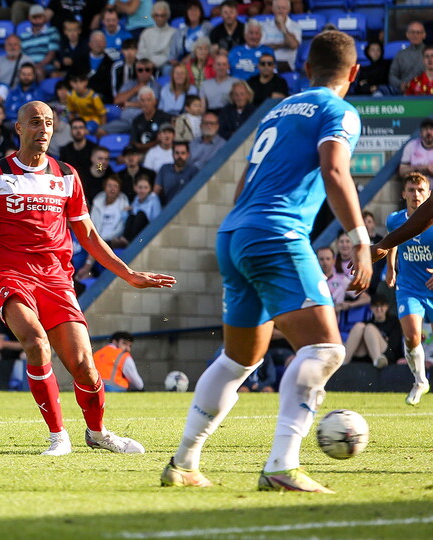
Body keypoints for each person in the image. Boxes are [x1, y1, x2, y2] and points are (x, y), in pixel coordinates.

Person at [161, 31, 368, 493]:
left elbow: (244, 184)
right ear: (352, 74)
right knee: (325, 349)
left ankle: (183, 462)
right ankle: (282, 465)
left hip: (235, 232)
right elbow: (335, 169)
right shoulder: (339, 111)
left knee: (239, 359)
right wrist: (360, 240)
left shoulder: (278, 110)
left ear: (306, 70)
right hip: (276, 232)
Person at [0, 100, 175, 456]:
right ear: (19, 128)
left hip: (55, 279)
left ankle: (97, 433)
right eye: (35, 122)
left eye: (48, 122)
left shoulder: (66, 176)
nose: (43, 128)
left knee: (85, 368)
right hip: (10, 274)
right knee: (34, 341)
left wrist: (128, 274)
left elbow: (90, 236)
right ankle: (58, 435)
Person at [378, 172, 433, 403]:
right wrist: (391, 268)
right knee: (412, 337)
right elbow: (393, 242)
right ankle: (420, 381)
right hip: (409, 287)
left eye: (421, 190)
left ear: (429, 194)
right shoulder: (394, 220)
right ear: (403, 194)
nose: (416, 194)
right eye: (411, 190)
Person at [343, 295, 401, 370]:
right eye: (376, 306)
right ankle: (345, 361)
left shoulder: (394, 322)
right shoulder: (366, 323)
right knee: (359, 326)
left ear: (386, 307)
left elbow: (394, 345)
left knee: (369, 328)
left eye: (382, 306)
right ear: (371, 308)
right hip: (366, 354)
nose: (379, 309)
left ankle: (377, 359)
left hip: (386, 355)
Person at [389, 22, 426, 95]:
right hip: (404, 94)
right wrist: (401, 84)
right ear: (407, 35)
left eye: (418, 32)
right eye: (412, 32)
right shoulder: (401, 54)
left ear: (424, 35)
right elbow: (392, 75)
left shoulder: (430, 53)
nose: (415, 35)